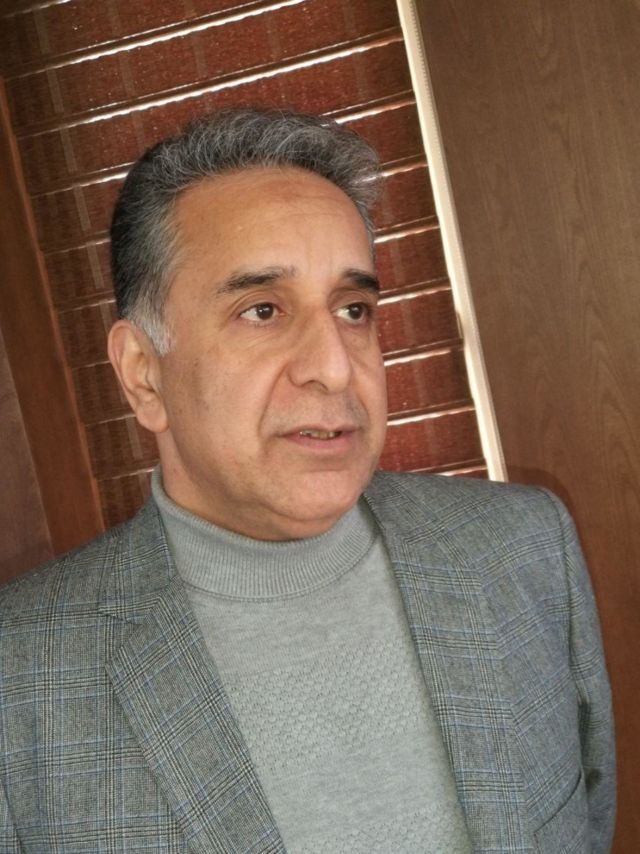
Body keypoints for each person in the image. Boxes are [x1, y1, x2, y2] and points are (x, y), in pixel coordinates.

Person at [0, 108, 614, 853]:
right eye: (262, 311)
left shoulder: (525, 547)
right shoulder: (20, 680)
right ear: (143, 375)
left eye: (354, 310)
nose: (334, 367)